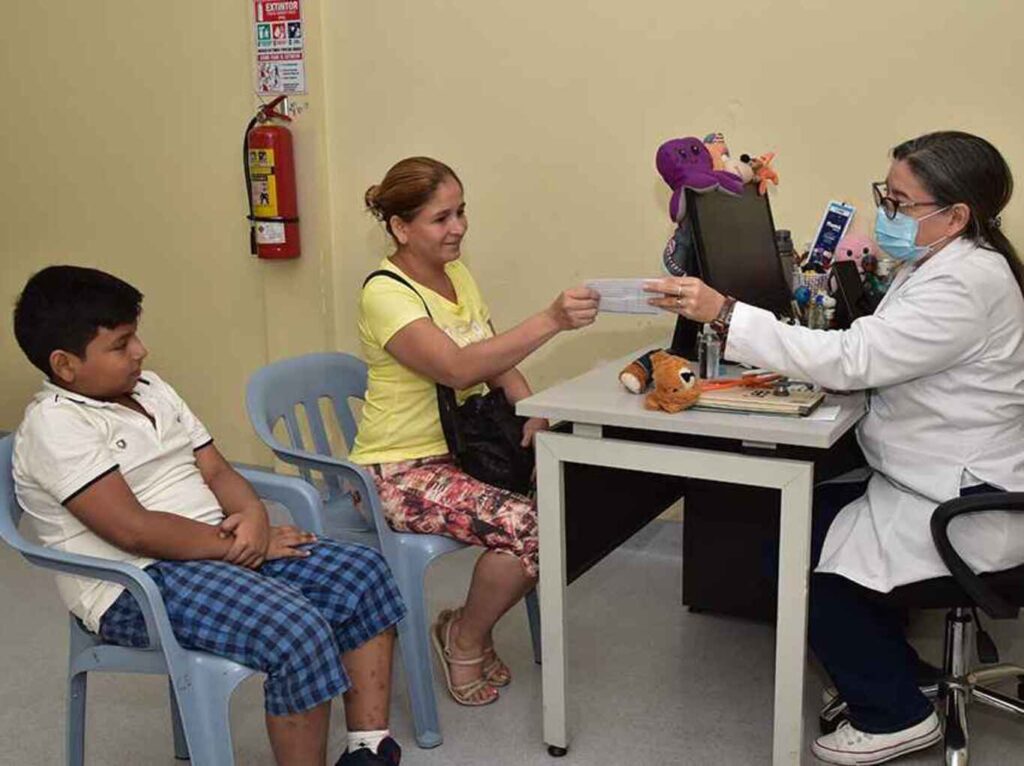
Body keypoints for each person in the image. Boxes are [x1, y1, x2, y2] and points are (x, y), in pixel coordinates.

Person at [645, 131, 1024, 765]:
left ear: (956, 215)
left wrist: (727, 313)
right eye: (888, 195)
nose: (888, 213)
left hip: (963, 498)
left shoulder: (965, 282)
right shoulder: (948, 262)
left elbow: (855, 358)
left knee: (797, 555)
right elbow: (877, 346)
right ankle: (904, 678)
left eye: (901, 202)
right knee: (794, 527)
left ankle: (895, 715)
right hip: (931, 473)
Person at [12, 266, 406, 766]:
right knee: (296, 629)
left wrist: (252, 516)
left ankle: (368, 750)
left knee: (361, 573)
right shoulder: (55, 426)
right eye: (121, 344)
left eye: (136, 336)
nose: (141, 352)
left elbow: (216, 469)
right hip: (135, 584)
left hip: (217, 545)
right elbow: (131, 529)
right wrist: (245, 546)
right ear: (65, 366)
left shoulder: (152, 388)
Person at [350, 156, 598, 706]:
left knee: (562, 505)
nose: (458, 227)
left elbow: (488, 349)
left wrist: (527, 403)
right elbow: (459, 368)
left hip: (461, 454)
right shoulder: (385, 293)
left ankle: (464, 626)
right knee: (533, 526)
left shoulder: (455, 272)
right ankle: (463, 636)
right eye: (441, 218)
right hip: (398, 469)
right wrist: (552, 319)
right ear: (400, 227)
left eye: (461, 212)